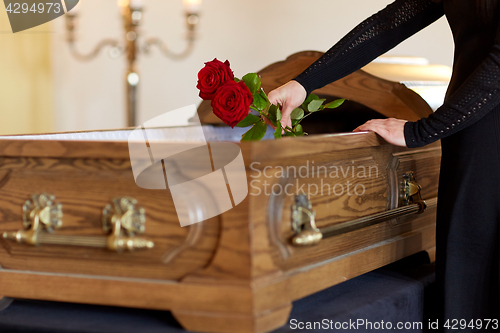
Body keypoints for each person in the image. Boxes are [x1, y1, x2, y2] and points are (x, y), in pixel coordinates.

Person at [268, 0, 500, 329]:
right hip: (468, 129)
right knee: (465, 274)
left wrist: (420, 130)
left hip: (487, 126)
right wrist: (303, 84)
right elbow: (388, 23)